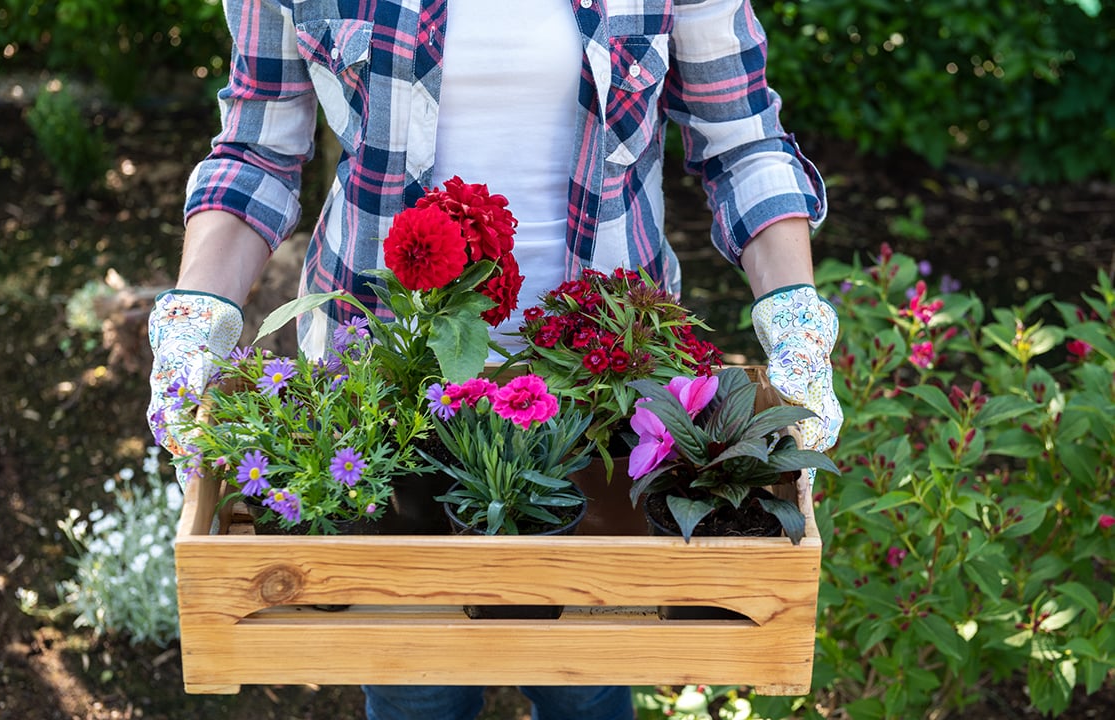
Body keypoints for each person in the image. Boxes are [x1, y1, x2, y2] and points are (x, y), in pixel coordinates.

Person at [147, 1, 843, 718]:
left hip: (603, 399)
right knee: (416, 684)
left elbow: (742, 141)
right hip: (386, 390)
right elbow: (257, 151)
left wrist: (793, 314)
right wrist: (197, 316)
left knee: (587, 683)